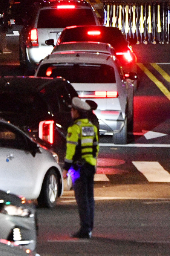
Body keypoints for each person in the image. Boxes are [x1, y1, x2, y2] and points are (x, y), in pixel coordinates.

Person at [62, 98, 98, 239]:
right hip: (90, 166)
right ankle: (89, 227)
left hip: (79, 168)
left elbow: (70, 151)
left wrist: (66, 169)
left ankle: (84, 229)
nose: (71, 112)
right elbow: (96, 148)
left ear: (77, 112)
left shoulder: (74, 128)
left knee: (82, 199)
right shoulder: (91, 127)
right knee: (89, 199)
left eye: (72, 110)